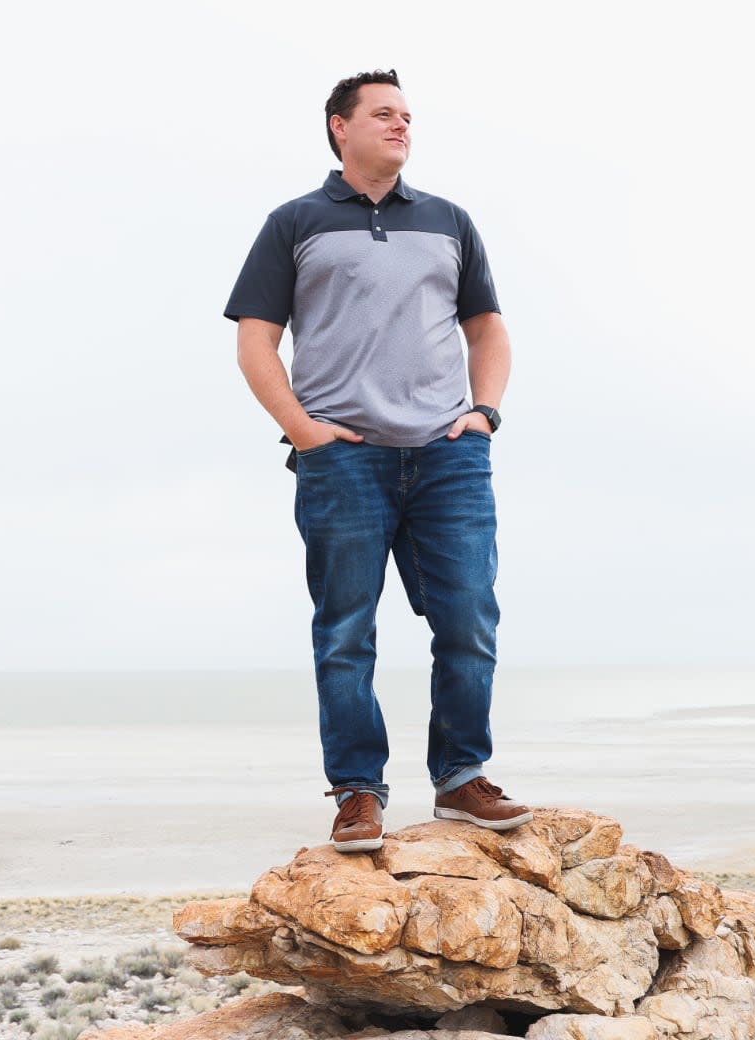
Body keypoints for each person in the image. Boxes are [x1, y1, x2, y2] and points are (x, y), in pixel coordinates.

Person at [225, 69, 532, 852]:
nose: (400, 126)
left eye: (406, 116)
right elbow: (255, 338)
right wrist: (301, 429)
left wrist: (484, 414)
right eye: (383, 114)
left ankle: (462, 778)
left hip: (447, 457)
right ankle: (358, 792)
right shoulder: (294, 222)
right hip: (343, 460)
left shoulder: (448, 220)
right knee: (345, 634)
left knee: (468, 620)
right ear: (340, 127)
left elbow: (488, 328)